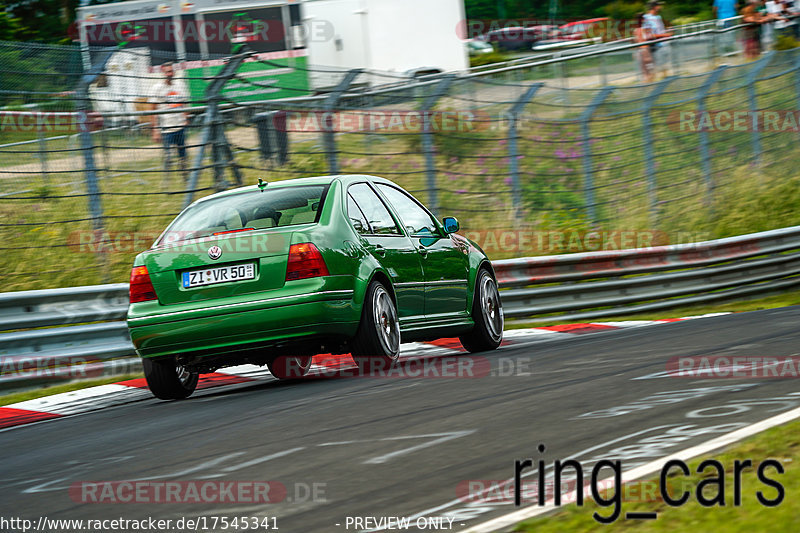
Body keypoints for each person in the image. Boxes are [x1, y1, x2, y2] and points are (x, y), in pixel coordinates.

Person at [149, 62, 190, 181]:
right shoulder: (157, 88)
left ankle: (185, 176)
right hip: (166, 128)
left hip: (180, 126)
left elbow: (185, 103)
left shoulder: (180, 85)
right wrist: (155, 130)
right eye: (167, 72)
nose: (169, 74)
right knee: (168, 156)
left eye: (171, 71)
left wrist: (186, 118)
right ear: (163, 73)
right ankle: (167, 179)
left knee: (183, 155)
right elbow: (152, 110)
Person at [642, 1, 673, 78]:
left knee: (665, 69)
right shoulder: (646, 18)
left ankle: (665, 83)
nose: (660, 7)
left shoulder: (658, 17)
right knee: (655, 72)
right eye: (659, 5)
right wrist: (665, 35)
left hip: (664, 46)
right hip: (655, 48)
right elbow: (648, 35)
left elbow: (659, 31)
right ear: (654, 7)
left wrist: (667, 31)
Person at [634, 13, 655, 83]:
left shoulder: (635, 30)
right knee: (649, 66)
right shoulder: (644, 29)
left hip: (640, 50)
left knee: (644, 69)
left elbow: (636, 40)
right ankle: (649, 81)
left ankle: (647, 80)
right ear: (642, 20)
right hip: (645, 49)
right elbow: (648, 38)